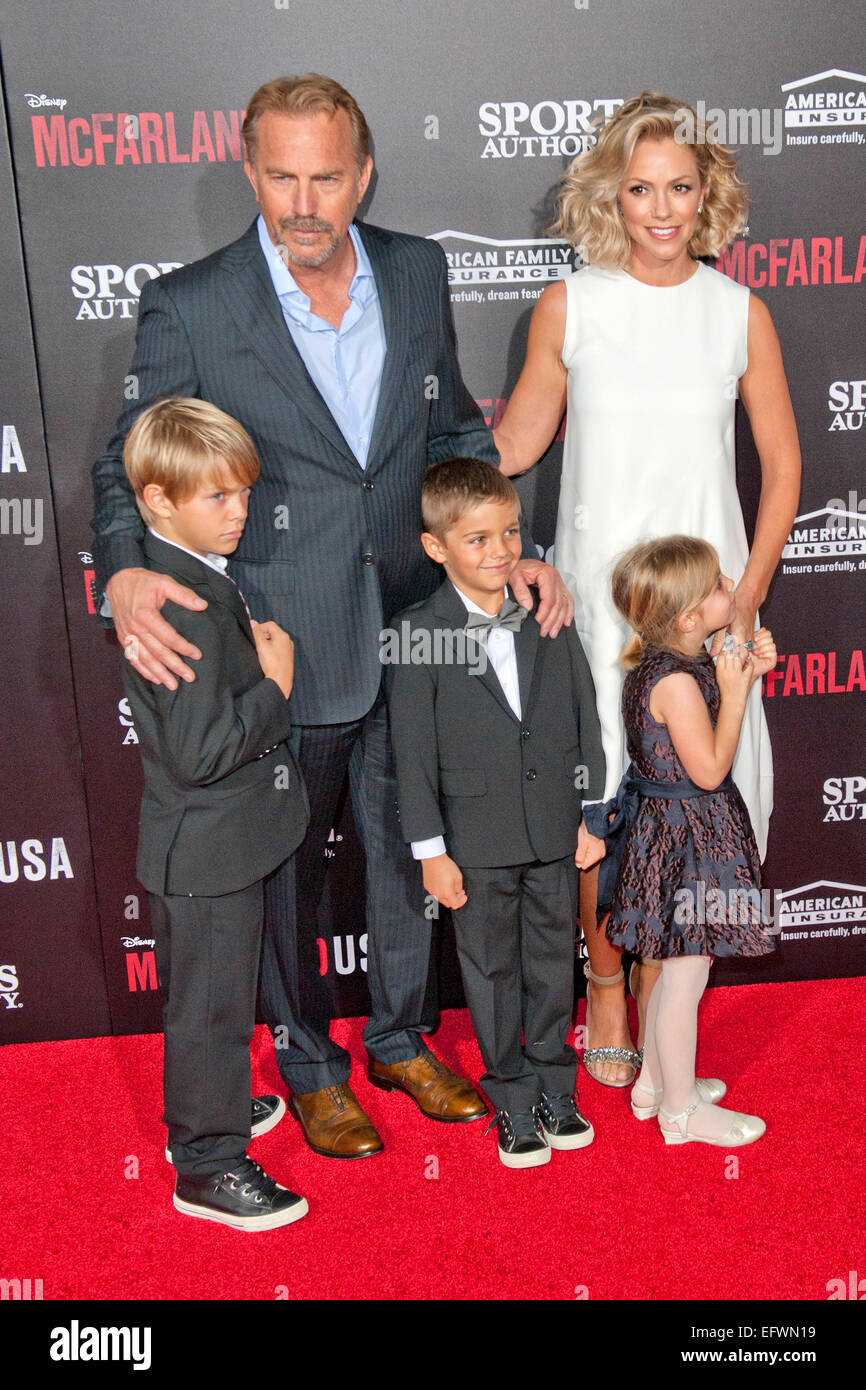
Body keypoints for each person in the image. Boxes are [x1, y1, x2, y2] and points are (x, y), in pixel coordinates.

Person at [91, 74, 573, 1159]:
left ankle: (400, 1037)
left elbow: (450, 428)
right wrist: (122, 569)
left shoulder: (415, 268)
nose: (303, 203)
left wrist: (506, 547)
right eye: (280, 176)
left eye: (325, 177)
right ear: (249, 170)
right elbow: (126, 470)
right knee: (285, 869)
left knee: (413, 851)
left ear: (360, 174)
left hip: (414, 621)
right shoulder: (192, 303)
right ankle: (309, 1062)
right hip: (281, 637)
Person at [493, 92, 800, 1087]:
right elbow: (519, 442)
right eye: (639, 189)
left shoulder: (736, 312)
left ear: (705, 191)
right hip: (592, 604)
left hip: (705, 607)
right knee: (604, 800)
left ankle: (675, 994)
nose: (660, 209)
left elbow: (781, 464)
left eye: (678, 187)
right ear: (608, 196)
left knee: (707, 796)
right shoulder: (571, 304)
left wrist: (744, 596)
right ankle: (607, 978)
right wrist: (419, 488)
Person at [121, 397, 309, 1228]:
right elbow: (201, 754)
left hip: (225, 842)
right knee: (209, 1008)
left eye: (242, 493)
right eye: (217, 499)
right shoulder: (181, 602)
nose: (239, 514)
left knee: (217, 999)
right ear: (160, 500)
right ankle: (205, 1162)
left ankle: (212, 1106)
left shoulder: (186, 573)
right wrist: (277, 689)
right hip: (206, 850)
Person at [386, 459, 605, 1166]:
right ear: (436, 547)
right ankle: (510, 1095)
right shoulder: (417, 632)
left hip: (549, 827)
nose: (500, 550)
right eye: (477, 539)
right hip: (473, 842)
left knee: (550, 963)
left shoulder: (546, 613)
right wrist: (430, 852)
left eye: (509, 532)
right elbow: (411, 755)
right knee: (491, 970)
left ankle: (555, 1084)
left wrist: (587, 809)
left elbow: (583, 713)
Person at [581, 535, 777, 1145]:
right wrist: (740, 691)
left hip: (671, 835)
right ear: (690, 617)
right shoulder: (679, 684)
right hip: (690, 841)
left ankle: (654, 1088)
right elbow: (712, 770)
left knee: (672, 969)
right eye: (719, 585)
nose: (730, 589)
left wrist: (742, 665)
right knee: (685, 976)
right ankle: (682, 1112)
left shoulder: (669, 666)